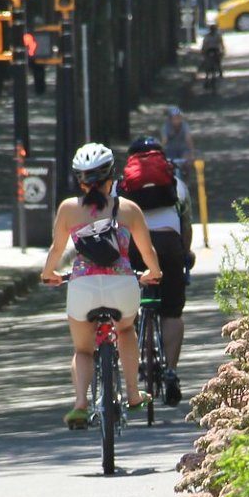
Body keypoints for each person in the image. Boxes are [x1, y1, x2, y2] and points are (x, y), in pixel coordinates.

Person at [40, 143, 163, 428]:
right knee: (126, 329)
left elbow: (56, 251)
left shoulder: (68, 209)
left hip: (83, 288)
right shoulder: (129, 209)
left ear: (79, 181)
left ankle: (80, 404)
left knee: (83, 350)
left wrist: (49, 274)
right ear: (112, 177)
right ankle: (133, 394)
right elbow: (148, 253)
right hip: (122, 285)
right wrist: (153, 273)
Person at [120, 137, 193, 405]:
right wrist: (185, 253)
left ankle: (139, 347)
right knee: (172, 311)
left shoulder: (119, 186)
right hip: (167, 245)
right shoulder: (176, 184)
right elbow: (185, 224)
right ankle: (171, 371)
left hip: (133, 248)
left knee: (128, 307)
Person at [160, 106, 197, 172]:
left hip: (183, 150)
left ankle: (186, 179)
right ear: (170, 119)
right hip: (170, 150)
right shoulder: (165, 127)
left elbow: (188, 139)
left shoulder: (185, 125)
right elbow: (164, 141)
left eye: (178, 118)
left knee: (187, 164)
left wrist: (192, 153)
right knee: (168, 167)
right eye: (174, 118)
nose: (176, 120)